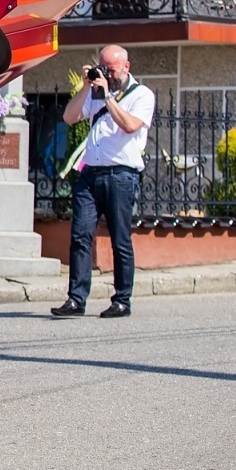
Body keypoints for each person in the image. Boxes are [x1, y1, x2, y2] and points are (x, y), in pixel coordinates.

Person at [51, 45, 155, 319]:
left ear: (126, 67)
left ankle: (122, 300)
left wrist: (107, 96)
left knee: (120, 239)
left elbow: (130, 125)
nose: (107, 73)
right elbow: (69, 117)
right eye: (103, 68)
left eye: (112, 69)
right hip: (91, 174)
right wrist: (87, 87)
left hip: (121, 175)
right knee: (80, 235)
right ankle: (76, 298)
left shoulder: (142, 95)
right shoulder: (96, 92)